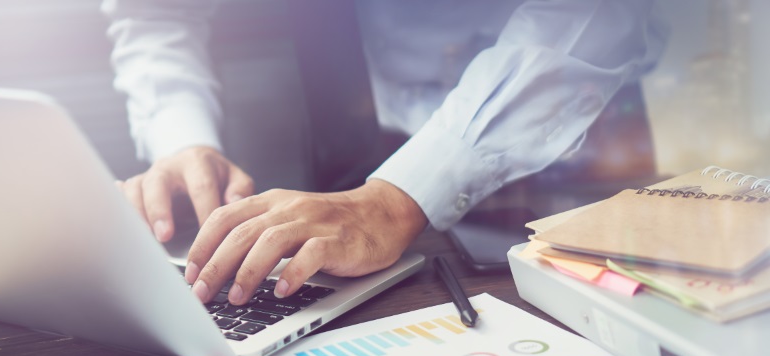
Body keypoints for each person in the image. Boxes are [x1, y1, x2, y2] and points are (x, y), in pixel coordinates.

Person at [102, 0, 666, 306]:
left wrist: (396, 201)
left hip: (569, 131)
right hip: (369, 138)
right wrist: (183, 139)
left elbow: (593, 13)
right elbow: (155, 14)